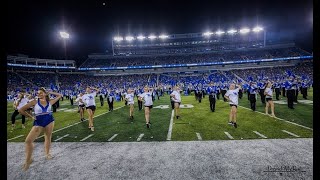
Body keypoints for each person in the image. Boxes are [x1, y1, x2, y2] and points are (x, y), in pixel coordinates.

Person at [18, 88, 62, 171]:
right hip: (38, 123)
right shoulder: (34, 102)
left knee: (48, 137)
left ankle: (47, 153)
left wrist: (50, 92)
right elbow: (21, 110)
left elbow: (60, 95)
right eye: (38, 93)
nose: (39, 94)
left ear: (45, 94)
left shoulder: (50, 101)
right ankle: (28, 160)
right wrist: (31, 117)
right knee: (28, 141)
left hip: (49, 121)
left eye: (41, 93)